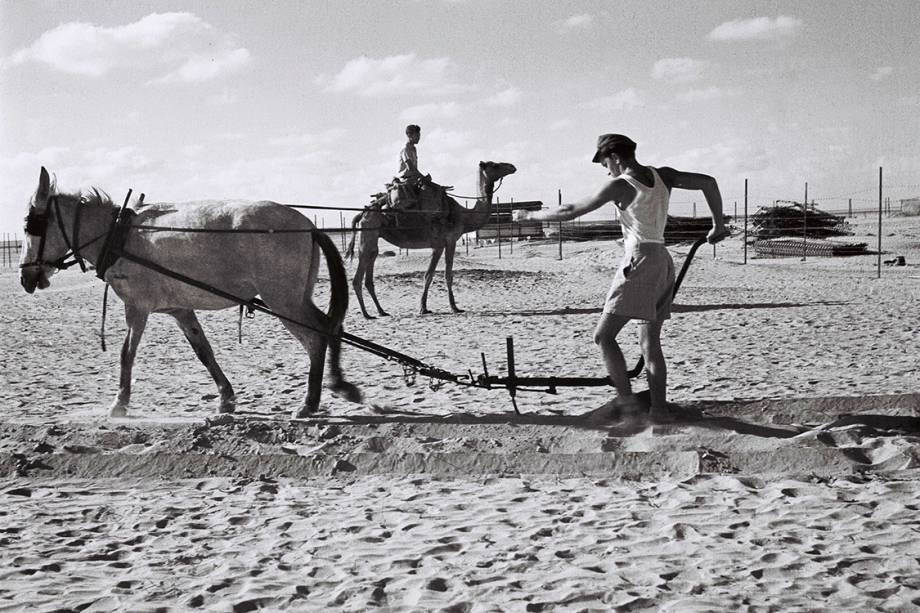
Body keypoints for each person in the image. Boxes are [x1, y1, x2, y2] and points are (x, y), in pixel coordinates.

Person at [514, 133, 729, 419]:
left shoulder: (621, 185)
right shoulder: (663, 175)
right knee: (650, 342)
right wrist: (717, 224)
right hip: (663, 259)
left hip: (639, 259)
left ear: (615, 157)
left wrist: (529, 217)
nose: (606, 169)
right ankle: (659, 410)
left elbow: (571, 210)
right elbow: (709, 182)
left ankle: (626, 405)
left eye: (605, 162)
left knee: (603, 336)